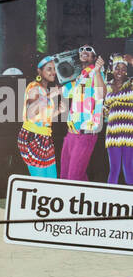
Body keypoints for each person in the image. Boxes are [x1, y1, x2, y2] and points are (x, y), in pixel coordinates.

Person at [59, 45, 106, 182]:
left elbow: (101, 94)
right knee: (65, 176)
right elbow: (63, 91)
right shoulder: (80, 77)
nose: (84, 51)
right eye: (81, 50)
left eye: (89, 50)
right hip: (71, 135)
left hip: (85, 134)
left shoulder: (97, 73)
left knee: (74, 177)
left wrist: (97, 71)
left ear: (95, 58)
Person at [18, 54, 61, 178]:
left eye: (54, 68)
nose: (53, 72)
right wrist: (49, 96)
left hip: (45, 137)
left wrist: (57, 111)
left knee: (52, 180)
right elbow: (31, 114)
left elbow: (42, 116)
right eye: (49, 69)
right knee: (41, 183)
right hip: (32, 137)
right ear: (39, 71)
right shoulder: (34, 88)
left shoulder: (44, 89)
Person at [105, 55, 133, 185]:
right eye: (117, 68)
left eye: (123, 69)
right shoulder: (107, 87)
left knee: (128, 168)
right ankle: (110, 201)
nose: (120, 72)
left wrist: (132, 61)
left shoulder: (131, 84)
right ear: (112, 69)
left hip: (129, 133)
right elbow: (104, 111)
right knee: (114, 169)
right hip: (113, 133)